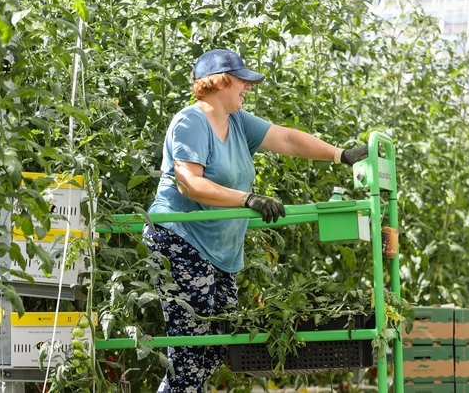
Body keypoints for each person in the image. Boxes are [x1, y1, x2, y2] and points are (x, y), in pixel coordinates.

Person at [143, 48, 368, 392]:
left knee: (217, 346)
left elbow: (287, 138)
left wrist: (341, 155)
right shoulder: (191, 122)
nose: (248, 87)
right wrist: (248, 199)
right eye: (242, 81)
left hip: (218, 250)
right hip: (179, 239)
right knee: (192, 348)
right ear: (220, 82)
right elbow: (190, 184)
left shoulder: (237, 122)